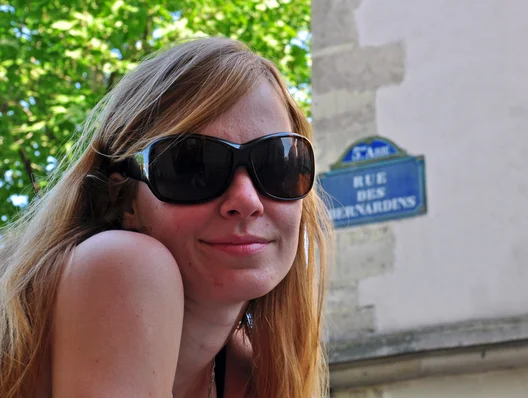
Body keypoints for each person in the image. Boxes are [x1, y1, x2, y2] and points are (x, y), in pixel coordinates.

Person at [0, 37, 333, 398]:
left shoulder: (250, 371)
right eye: (193, 166)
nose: (246, 200)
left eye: (278, 163)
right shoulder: (123, 261)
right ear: (124, 198)